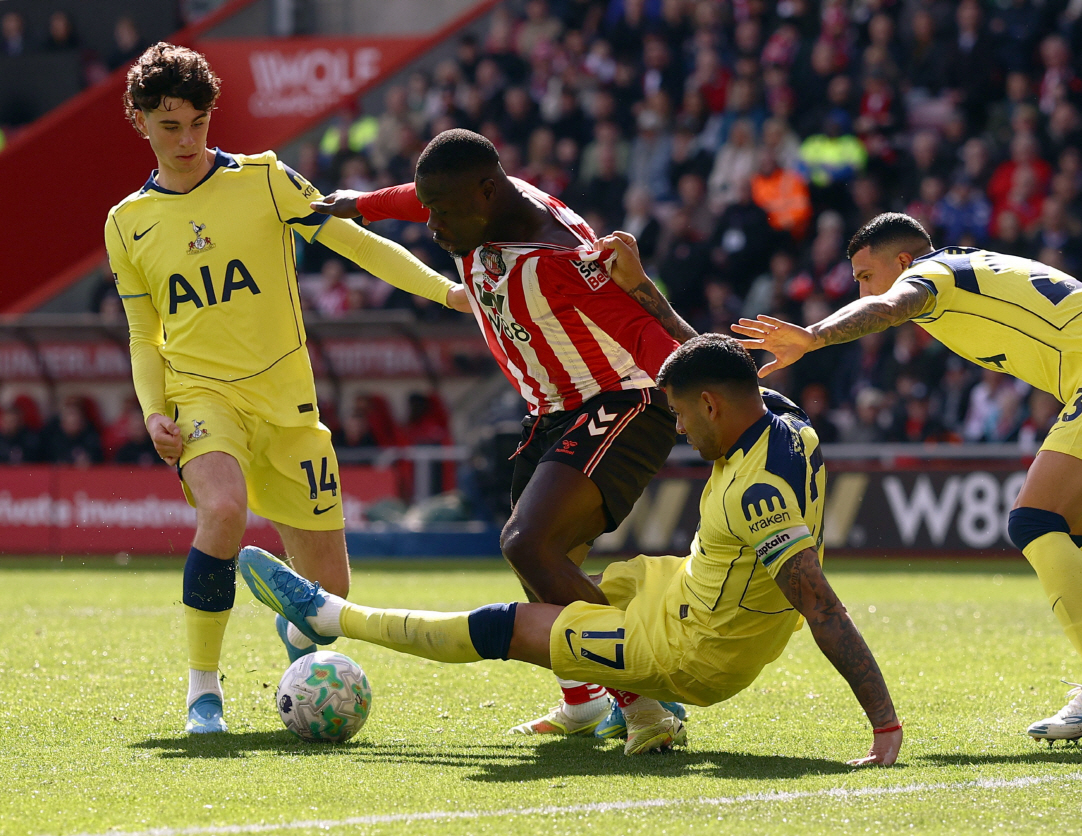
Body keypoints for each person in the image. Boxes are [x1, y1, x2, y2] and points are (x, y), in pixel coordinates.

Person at [239, 334, 903, 764]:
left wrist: (884, 729)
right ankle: (631, 713)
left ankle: (330, 617)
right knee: (564, 570)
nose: (677, 429)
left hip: (696, 654)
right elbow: (732, 370)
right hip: (684, 590)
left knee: (515, 626)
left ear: (711, 405)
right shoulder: (790, 425)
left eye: (679, 415)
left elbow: (821, 605)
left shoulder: (758, 496)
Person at [104, 44, 467, 734]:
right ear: (141, 121)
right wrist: (155, 412)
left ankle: (300, 643)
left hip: (289, 405)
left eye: (198, 123)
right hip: (202, 396)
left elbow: (356, 244)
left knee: (331, 598)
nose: (187, 140)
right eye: (170, 124)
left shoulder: (267, 180)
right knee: (223, 511)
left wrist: (447, 293)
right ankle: (203, 693)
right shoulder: (126, 223)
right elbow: (141, 334)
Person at [733, 212, 1082, 742]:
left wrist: (813, 336)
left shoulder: (932, 273)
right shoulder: (966, 268)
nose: (859, 287)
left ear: (903, 261)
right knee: (1059, 529)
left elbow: (888, 306)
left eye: (864, 275)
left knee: (1034, 522)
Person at [309, 129, 698, 748]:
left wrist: (715, 398)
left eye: (442, 212)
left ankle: (647, 702)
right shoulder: (476, 201)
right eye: (428, 209)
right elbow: (420, 195)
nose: (431, 224)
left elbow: (648, 337)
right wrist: (359, 204)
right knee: (540, 563)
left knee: (528, 542)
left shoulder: (559, 259)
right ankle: (584, 703)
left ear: (487, 192)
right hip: (552, 409)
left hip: (622, 400)